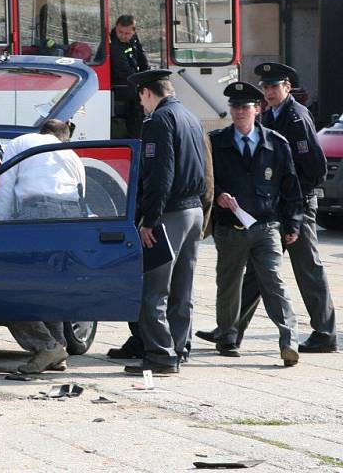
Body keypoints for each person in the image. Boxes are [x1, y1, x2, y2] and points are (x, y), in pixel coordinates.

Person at [196, 64, 336, 353]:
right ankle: (231, 330)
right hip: (272, 206)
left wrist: (297, 203)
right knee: (259, 272)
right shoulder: (273, 114)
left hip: (296, 203)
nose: (270, 92)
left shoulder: (295, 117)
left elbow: (314, 167)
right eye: (266, 87)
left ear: (287, 87)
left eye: (275, 87)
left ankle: (324, 332)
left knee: (307, 268)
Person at [110, 70, 205, 376]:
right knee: (182, 289)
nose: (141, 104)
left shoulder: (159, 121)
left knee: (154, 289)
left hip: (170, 214)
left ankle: (161, 356)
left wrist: (149, 220)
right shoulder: (190, 116)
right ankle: (178, 349)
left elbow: (159, 175)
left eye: (140, 97)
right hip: (193, 211)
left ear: (147, 93)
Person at [208, 81, 302, 366]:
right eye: (234, 107)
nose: (239, 112)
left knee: (274, 283)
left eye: (245, 107)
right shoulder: (216, 142)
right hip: (230, 227)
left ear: (257, 109)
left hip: (266, 226)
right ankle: (227, 336)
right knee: (228, 284)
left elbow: (290, 187)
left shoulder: (276, 143)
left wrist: (293, 224)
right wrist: (217, 196)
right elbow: (206, 181)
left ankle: (289, 341)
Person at [0, 119, 87, 374]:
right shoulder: (70, 154)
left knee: (10, 289)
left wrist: (1, 227)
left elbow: (5, 185)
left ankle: (46, 346)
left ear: (42, 131)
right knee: (50, 287)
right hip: (70, 215)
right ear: (61, 136)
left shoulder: (21, 143)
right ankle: (58, 349)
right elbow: (82, 194)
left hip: (36, 214)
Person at [110, 15, 149, 139]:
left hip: (133, 84)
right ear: (116, 27)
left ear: (134, 31)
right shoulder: (113, 45)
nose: (123, 36)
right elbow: (124, 71)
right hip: (121, 87)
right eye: (120, 32)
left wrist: (147, 77)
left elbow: (142, 59)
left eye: (127, 33)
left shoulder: (134, 39)